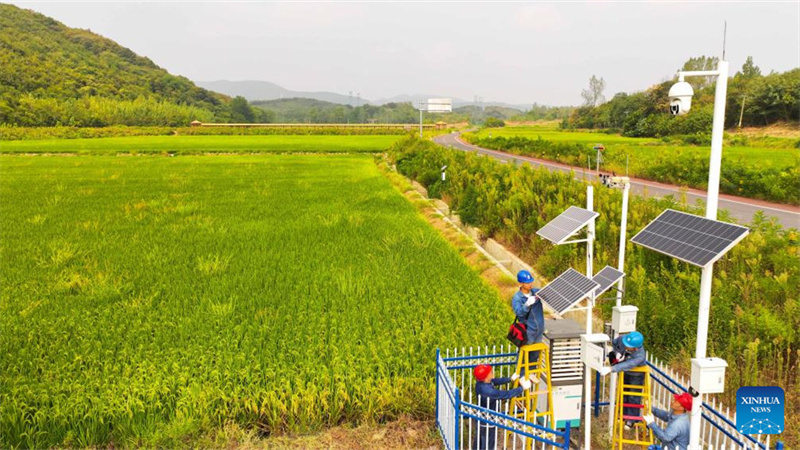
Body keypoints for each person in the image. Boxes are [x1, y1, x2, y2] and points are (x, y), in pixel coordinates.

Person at [472, 364, 532, 450]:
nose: (492, 372)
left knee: (479, 442)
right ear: (485, 377)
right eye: (490, 372)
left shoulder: (481, 383)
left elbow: (495, 381)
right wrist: (522, 388)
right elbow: (506, 394)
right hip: (488, 422)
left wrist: (510, 379)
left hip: (481, 418)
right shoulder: (488, 391)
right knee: (488, 444)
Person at [601, 331, 646, 429]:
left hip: (636, 375)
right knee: (624, 394)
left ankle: (631, 419)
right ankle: (623, 414)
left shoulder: (640, 355)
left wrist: (611, 369)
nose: (625, 346)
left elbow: (629, 364)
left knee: (633, 396)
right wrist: (617, 352)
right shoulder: (623, 339)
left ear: (635, 348)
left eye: (628, 346)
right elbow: (614, 343)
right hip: (624, 372)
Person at [511, 270, 544, 347]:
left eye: (531, 282)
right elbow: (519, 314)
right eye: (527, 283)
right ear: (521, 283)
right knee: (525, 353)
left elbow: (548, 293)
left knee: (536, 353)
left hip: (539, 331)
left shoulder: (536, 292)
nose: (530, 284)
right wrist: (527, 304)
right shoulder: (517, 298)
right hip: (527, 332)